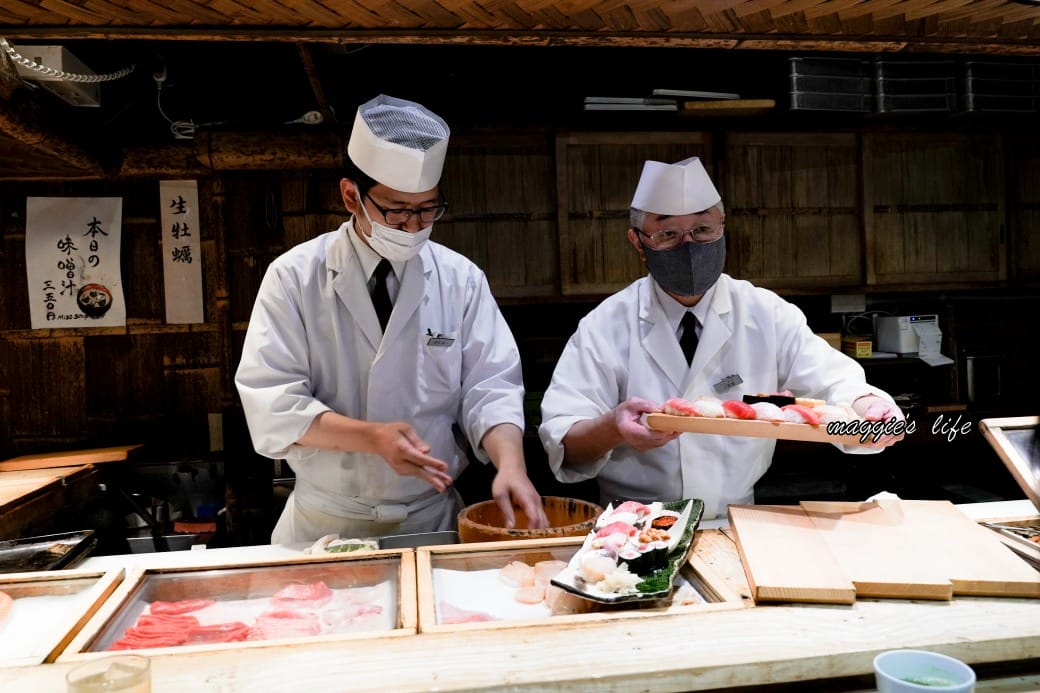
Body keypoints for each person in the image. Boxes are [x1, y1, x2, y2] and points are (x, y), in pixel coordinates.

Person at [235, 94, 548, 543]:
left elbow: (490, 386)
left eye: (427, 209)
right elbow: (273, 403)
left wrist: (511, 465)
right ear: (350, 196)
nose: (413, 227)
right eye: (396, 210)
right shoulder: (294, 277)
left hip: (431, 521)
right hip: (324, 523)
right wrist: (371, 438)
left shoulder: (460, 279)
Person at [538, 156, 905, 519]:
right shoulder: (604, 326)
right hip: (632, 525)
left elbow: (836, 385)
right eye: (668, 234)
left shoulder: (766, 314)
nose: (689, 246)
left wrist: (866, 409)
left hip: (739, 521)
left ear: (723, 227)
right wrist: (611, 427)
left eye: (702, 230)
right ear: (638, 242)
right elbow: (565, 444)